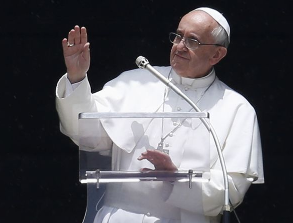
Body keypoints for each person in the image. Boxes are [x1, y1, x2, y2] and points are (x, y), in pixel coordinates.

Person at [55, 7, 264, 223]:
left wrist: (177, 179)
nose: (180, 46)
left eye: (192, 41)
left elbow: (231, 191)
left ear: (217, 54)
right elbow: (85, 134)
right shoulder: (135, 82)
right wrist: (77, 77)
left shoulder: (237, 109)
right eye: (178, 36)